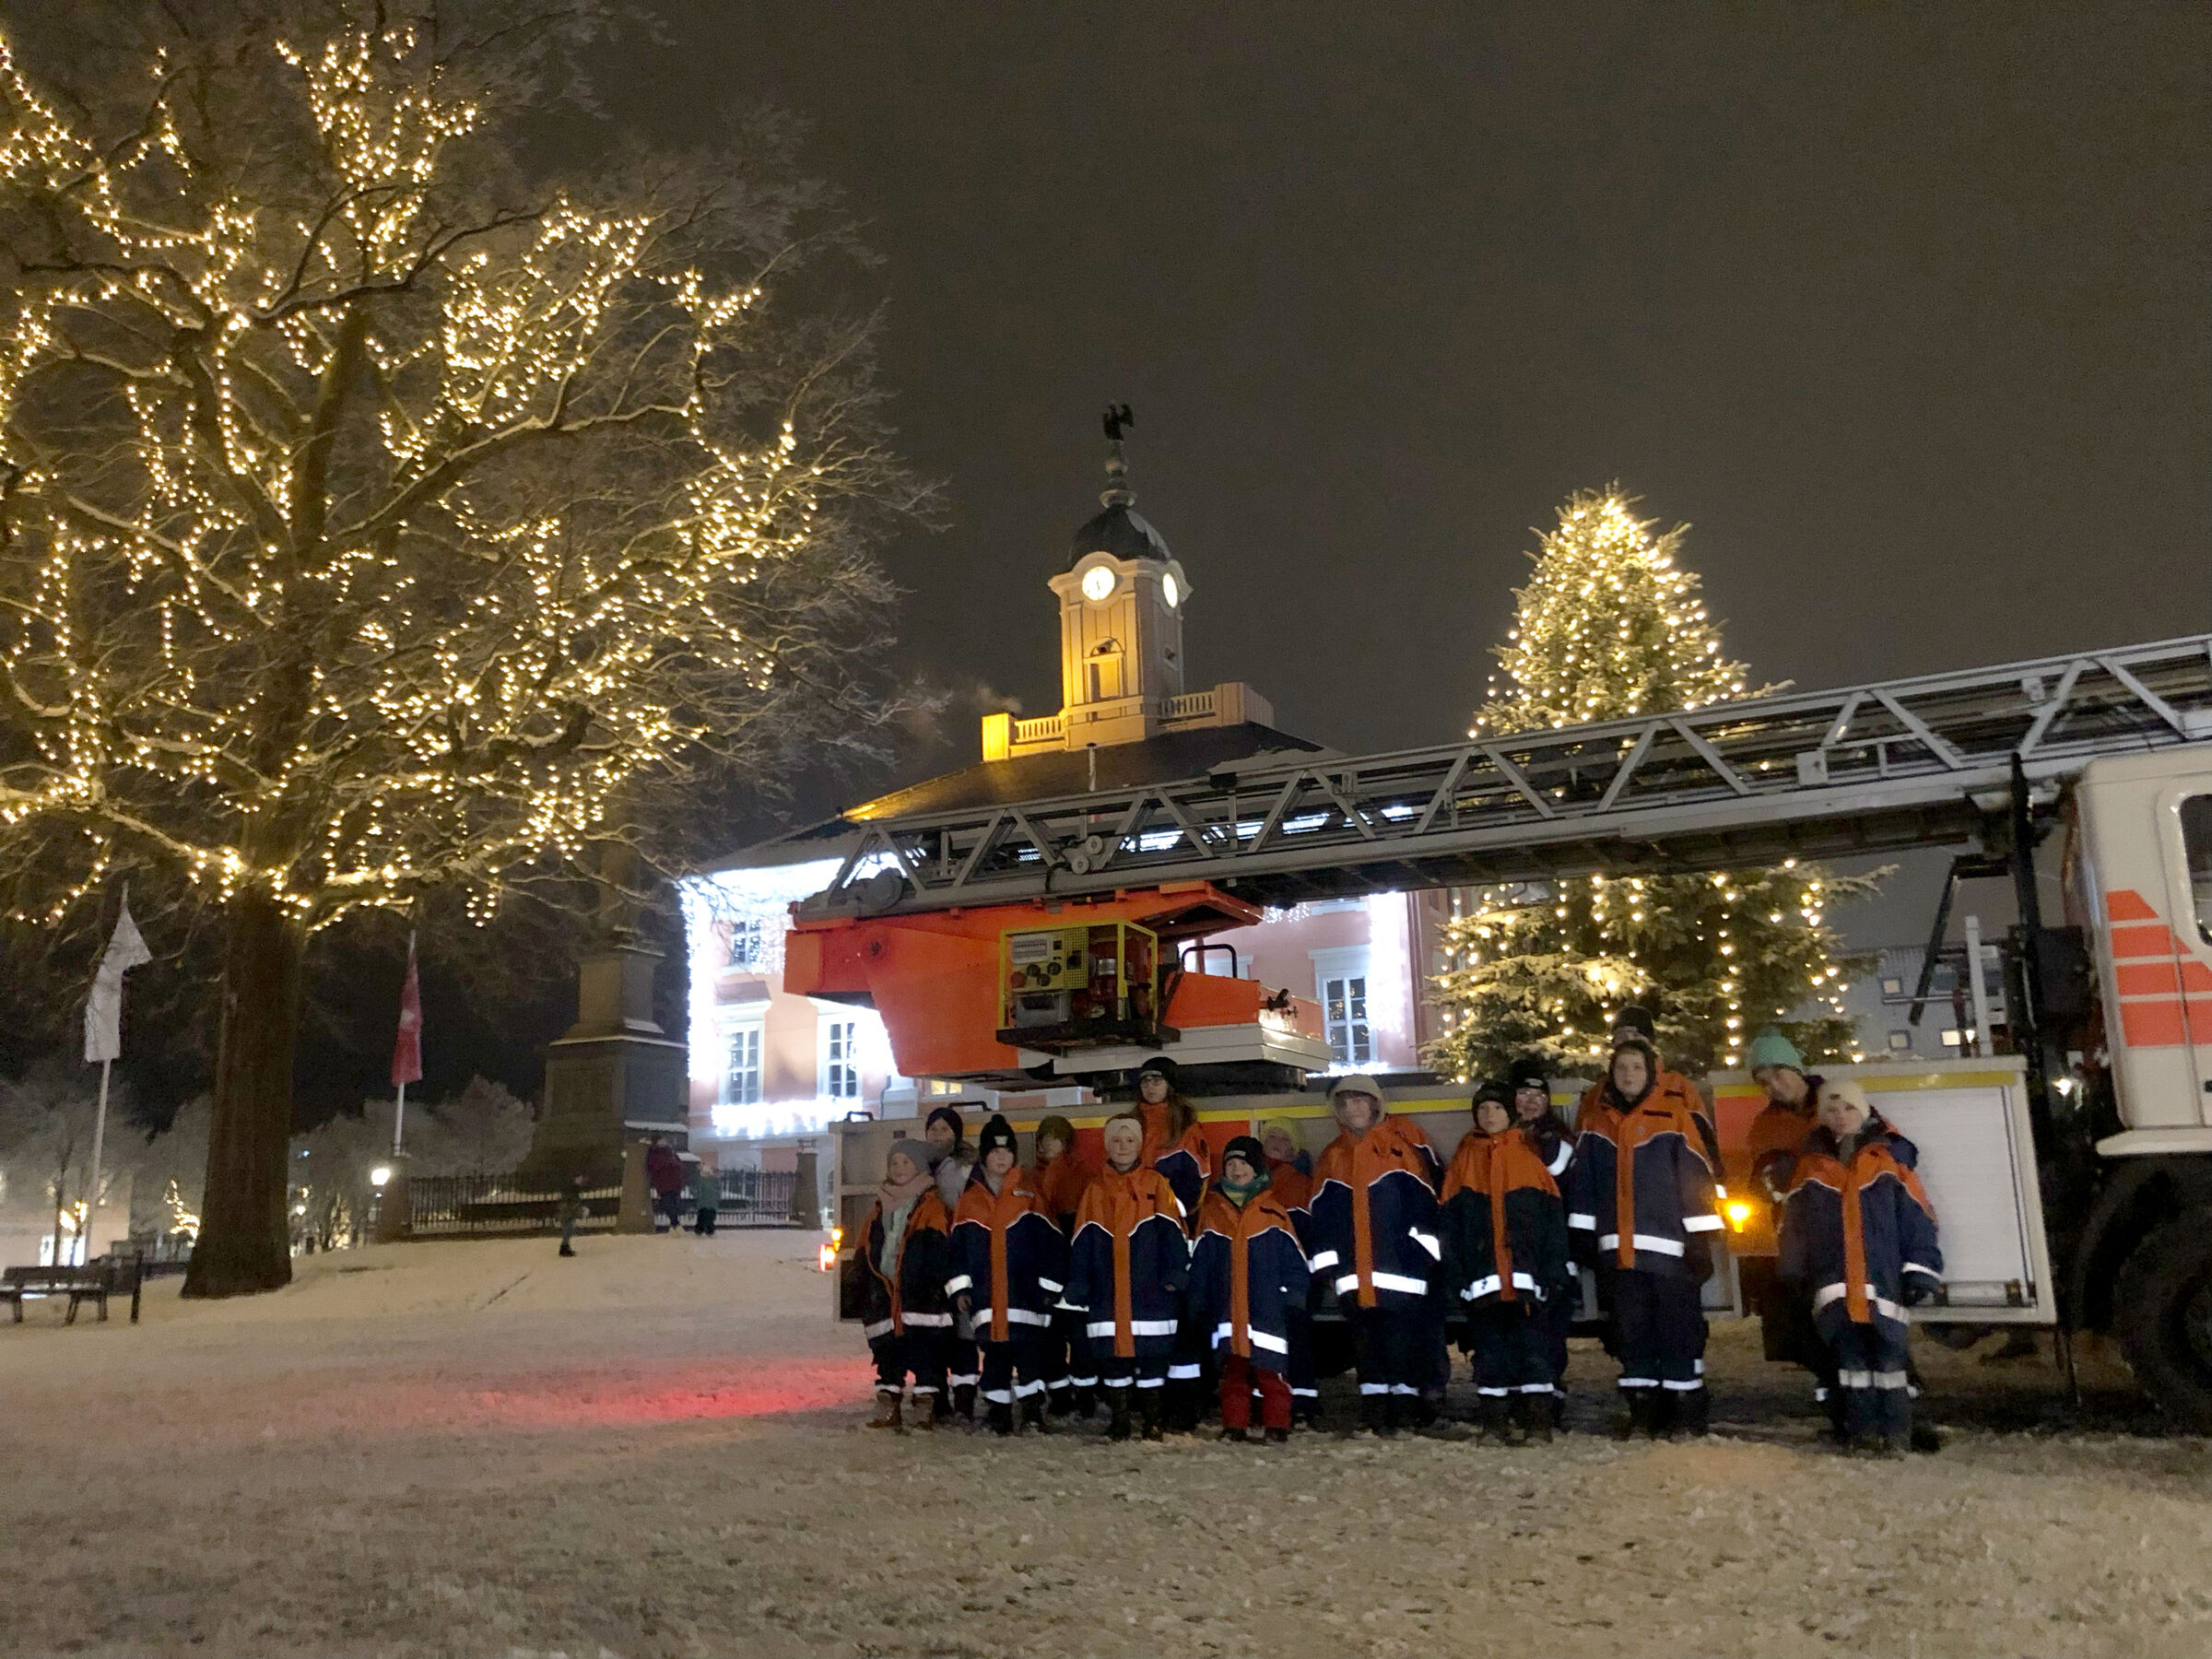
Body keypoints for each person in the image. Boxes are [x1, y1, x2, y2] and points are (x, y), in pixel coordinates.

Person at [1567, 1031, 1725, 1438]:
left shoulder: (1674, 1117)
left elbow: (1697, 1180)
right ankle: (1644, 1412)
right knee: (1631, 1334)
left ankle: (1685, 1413)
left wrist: (1700, 1240)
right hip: (1619, 1255)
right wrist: (1583, 1235)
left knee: (1678, 1332)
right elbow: (1584, 1184)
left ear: (1651, 1074)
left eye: (1637, 1067)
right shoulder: (1596, 1123)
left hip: (1672, 1254)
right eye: (1621, 1068)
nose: (1628, 1074)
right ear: (1611, 1075)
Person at [1778, 1078, 1944, 1455]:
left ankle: (1897, 1435)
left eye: (1849, 1108)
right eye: (1831, 1110)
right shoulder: (1810, 1167)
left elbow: (1918, 1220)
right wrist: (1793, 1269)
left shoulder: (1889, 1162)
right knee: (1851, 1367)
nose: (1841, 1116)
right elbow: (1793, 1226)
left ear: (1864, 1111)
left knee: (1891, 1366)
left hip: (1883, 1284)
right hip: (1836, 1286)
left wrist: (1920, 1270)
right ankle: (1864, 1435)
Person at [1310, 1073, 1446, 1438]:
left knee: (1402, 1349)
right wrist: (1329, 1269)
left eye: (1359, 1100)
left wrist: (1421, 1258)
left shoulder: (1401, 1149)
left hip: (1402, 1276)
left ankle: (1403, 1414)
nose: (1353, 1107)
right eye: (1345, 1102)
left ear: (1374, 1104)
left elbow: (1426, 1209)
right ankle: (1376, 1415)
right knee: (1367, 1352)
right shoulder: (1332, 1156)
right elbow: (1321, 1219)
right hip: (1354, 1278)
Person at [1442, 1083, 1571, 1444]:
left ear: (1510, 1114)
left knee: (1535, 1353)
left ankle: (1538, 1424)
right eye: (1483, 1109)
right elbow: (1449, 1228)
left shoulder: (1529, 1157)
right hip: (1483, 1283)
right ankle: (1494, 1424)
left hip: (1528, 1283)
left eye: (1497, 1108)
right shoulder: (1463, 1161)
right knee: (1489, 1356)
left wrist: (1553, 1272)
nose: (1490, 1115)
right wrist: (1456, 1276)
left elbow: (1553, 1224)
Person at [1066, 1111, 1188, 1441]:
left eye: (1130, 1140)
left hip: (1150, 1288)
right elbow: (1082, 1241)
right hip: (1107, 1289)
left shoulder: (1157, 1185)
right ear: (1108, 1146)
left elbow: (1173, 1234)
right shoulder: (1094, 1190)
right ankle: (1120, 1421)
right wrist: (1079, 1282)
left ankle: (1152, 1420)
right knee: (1113, 1360)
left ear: (1140, 1145)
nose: (1123, 1146)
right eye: (1117, 1140)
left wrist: (1175, 1272)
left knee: (1153, 1358)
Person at [949, 1115, 1068, 1435]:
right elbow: (957, 1251)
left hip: (1026, 1299)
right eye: (994, 1151)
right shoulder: (969, 1200)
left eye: (1007, 1151)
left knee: (1030, 1358)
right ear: (984, 1156)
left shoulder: (1030, 1195)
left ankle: (1032, 1412)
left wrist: (1048, 1288)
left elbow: (1052, 1244)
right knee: (995, 1358)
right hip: (987, 1300)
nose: (1001, 1157)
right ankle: (998, 1412)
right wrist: (961, 1289)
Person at [1189, 1135, 1311, 1444]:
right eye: (1231, 1164)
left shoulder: (1274, 1213)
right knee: (1233, 1373)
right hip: (1227, 1310)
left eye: (1244, 1163)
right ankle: (1235, 1425)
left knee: (1272, 1373)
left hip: (1267, 1311)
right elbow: (1201, 1263)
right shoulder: (1212, 1213)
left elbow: (1295, 1261)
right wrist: (1198, 1300)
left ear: (1257, 1170)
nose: (1237, 1169)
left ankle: (1277, 1425)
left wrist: (1293, 1296)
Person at [1739, 1027, 1827, 1371]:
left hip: (1843, 1231)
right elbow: (1758, 1181)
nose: (1773, 1086)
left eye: (1778, 1074)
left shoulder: (1836, 1102)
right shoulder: (1765, 1126)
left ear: (1796, 1068)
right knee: (1809, 1328)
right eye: (1764, 1082)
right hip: (1797, 1236)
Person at [855, 1139, 957, 1430]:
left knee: (926, 1357)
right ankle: (888, 1405)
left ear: (920, 1168)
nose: (899, 1168)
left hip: (920, 1300)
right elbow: (865, 1250)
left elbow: (939, 1251)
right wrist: (864, 1290)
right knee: (887, 1356)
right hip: (885, 1296)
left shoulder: (931, 1206)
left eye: (906, 1162)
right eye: (894, 1163)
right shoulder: (878, 1209)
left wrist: (932, 1286)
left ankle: (926, 1408)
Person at [1134, 1056, 1213, 1429]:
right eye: (1145, 1080)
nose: (1151, 1086)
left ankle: (1186, 1404)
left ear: (1170, 1085)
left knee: (1182, 1324)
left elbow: (1195, 1187)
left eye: (1158, 1079)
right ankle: (1154, 1401)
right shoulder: (1130, 1124)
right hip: (1139, 1239)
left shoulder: (1185, 1128)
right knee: (1148, 1323)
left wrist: (1163, 1216)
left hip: (1174, 1237)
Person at [1508, 1054, 1578, 1421]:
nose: (1532, 1101)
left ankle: (1549, 1403)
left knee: (1548, 1332)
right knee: (1515, 1330)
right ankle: (1520, 1401)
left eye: (1539, 1095)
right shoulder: (1495, 1141)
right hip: (1511, 1257)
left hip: (1549, 1256)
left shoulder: (1557, 1142)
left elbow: (1554, 1176)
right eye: (1523, 1093)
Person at [1257, 1117, 1320, 1424]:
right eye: (1272, 1137)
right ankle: (1268, 1404)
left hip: (1292, 1280)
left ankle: (1303, 1404)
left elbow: (1309, 1238)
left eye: (1284, 1139)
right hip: (1260, 1279)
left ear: (1294, 1149)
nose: (1276, 1144)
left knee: (1296, 1343)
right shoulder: (1251, 1179)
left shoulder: (1301, 1184)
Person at [1031, 1113, 1094, 1417]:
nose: (1048, 1144)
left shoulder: (1080, 1175)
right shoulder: (1030, 1177)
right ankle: (1059, 1395)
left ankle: (1084, 1395)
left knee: (1081, 1340)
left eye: (1054, 1138)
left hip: (1073, 1268)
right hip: (1046, 1271)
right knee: (1050, 1340)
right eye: (1044, 1138)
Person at [923, 1105, 980, 1418]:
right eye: (933, 1129)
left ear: (956, 1134)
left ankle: (964, 1398)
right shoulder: (922, 1165)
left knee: (962, 1330)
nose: (937, 1135)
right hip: (931, 1256)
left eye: (944, 1129)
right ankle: (938, 1396)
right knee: (935, 1330)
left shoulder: (964, 1167)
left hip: (957, 1253)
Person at [644, 1136, 686, 1234]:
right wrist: (668, 1164)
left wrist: (675, 1165)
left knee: (674, 1204)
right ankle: (675, 1224)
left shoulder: (670, 1152)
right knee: (668, 1204)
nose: (663, 1142)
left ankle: (674, 1225)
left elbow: (680, 1164)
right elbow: (652, 1166)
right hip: (664, 1183)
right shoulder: (654, 1153)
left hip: (674, 1182)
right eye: (661, 1141)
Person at [556, 1173, 588, 1257]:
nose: (581, 1181)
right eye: (579, 1178)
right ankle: (564, 1248)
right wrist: (579, 1211)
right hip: (567, 1212)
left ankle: (565, 1247)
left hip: (567, 1211)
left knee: (569, 1229)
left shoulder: (573, 1188)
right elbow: (572, 1202)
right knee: (568, 1229)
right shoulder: (572, 1189)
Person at [687, 1157, 720, 1237]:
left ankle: (700, 1230)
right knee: (710, 1217)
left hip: (703, 1202)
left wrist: (696, 1194)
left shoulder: (700, 1181)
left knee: (702, 1217)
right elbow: (718, 1192)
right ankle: (709, 1230)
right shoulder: (714, 1181)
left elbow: (694, 1190)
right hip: (712, 1203)